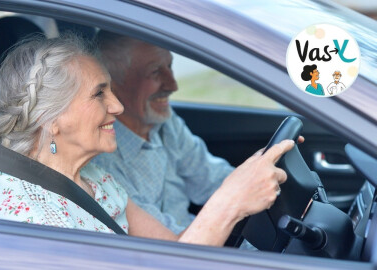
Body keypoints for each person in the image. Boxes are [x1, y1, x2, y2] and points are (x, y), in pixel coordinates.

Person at [0, 34, 294, 246]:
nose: (116, 106)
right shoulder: (28, 221)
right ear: (53, 119)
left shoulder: (95, 179)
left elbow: (175, 252)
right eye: (99, 93)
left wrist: (237, 191)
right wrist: (230, 202)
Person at [91, 31, 302, 235]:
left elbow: (210, 179)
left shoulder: (164, 121)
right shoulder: (102, 162)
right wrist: (235, 200)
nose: (173, 85)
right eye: (155, 72)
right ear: (113, 87)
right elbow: (172, 249)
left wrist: (264, 171)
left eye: (170, 66)